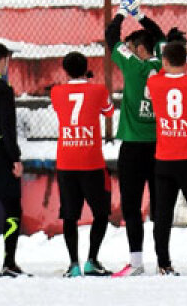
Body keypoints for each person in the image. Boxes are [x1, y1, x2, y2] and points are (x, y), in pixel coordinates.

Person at [105, 0, 167, 276]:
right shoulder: (164, 63)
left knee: (131, 206)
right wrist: (139, 15)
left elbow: (110, 37)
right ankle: (164, 262)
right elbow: (161, 36)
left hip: (133, 146)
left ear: (139, 49)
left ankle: (137, 262)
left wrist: (122, 12)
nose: (128, 50)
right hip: (160, 146)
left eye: (132, 47)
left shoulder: (132, 65)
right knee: (160, 205)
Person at [146, 39, 187, 275]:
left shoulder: (154, 82)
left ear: (164, 61)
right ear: (184, 61)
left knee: (163, 214)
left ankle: (163, 263)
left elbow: (164, 71)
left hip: (164, 158)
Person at [49, 50, 114, 277]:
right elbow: (108, 111)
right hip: (92, 162)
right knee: (101, 212)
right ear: (86, 67)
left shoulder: (56, 92)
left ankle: (73, 264)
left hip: (66, 161)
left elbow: (63, 109)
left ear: (65, 70)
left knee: (69, 214)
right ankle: (92, 260)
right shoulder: (98, 90)